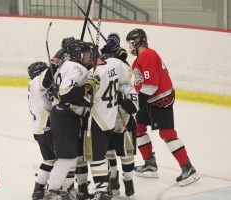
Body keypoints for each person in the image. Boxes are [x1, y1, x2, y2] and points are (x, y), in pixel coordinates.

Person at [126, 28, 200, 186]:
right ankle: (150, 164)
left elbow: (152, 85)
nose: (130, 47)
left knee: (167, 133)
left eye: (131, 44)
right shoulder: (142, 58)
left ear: (138, 42)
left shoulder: (148, 55)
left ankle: (188, 168)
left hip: (160, 100)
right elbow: (143, 83)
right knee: (138, 127)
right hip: (151, 99)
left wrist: (137, 102)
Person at [44, 40, 99, 200]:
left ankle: (64, 190)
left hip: (63, 115)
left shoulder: (67, 65)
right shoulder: (78, 68)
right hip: (65, 117)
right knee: (66, 159)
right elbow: (67, 94)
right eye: (85, 54)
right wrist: (87, 87)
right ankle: (51, 192)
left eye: (89, 54)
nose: (88, 57)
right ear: (76, 55)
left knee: (71, 157)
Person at [100, 33, 138, 198]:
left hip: (124, 122)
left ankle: (128, 184)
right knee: (109, 153)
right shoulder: (108, 68)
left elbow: (133, 107)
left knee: (125, 155)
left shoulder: (126, 84)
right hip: (107, 121)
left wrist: (121, 99)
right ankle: (113, 180)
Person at [27, 61, 56, 200]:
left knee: (49, 160)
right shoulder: (37, 81)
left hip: (39, 129)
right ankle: (55, 191)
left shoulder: (33, 85)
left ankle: (38, 191)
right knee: (61, 161)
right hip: (47, 127)